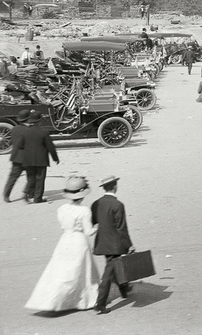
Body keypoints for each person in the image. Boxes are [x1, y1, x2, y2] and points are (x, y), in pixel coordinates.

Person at [25, 174, 100, 313]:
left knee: (60, 270)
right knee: (82, 271)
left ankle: (49, 300)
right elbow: (89, 232)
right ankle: (85, 299)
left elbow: (63, 225)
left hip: (65, 240)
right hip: (79, 241)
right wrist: (98, 226)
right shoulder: (84, 210)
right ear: (83, 195)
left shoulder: (62, 209)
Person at [92, 175, 133, 313]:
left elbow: (94, 222)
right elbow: (121, 228)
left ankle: (124, 289)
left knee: (115, 265)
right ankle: (100, 303)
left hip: (102, 242)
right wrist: (129, 245)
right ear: (115, 186)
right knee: (108, 274)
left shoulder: (96, 204)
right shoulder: (118, 205)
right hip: (115, 245)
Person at [16, 110, 59, 202]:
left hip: (28, 159)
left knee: (31, 178)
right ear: (40, 121)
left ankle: (28, 193)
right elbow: (50, 147)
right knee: (40, 179)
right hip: (41, 159)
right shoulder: (44, 132)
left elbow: (19, 145)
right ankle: (37, 198)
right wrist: (55, 158)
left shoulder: (25, 132)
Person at [3, 110, 32, 202]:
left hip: (16, 157)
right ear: (28, 119)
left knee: (12, 177)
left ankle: (6, 195)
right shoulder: (29, 130)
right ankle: (26, 193)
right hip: (28, 157)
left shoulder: (14, 129)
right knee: (32, 176)